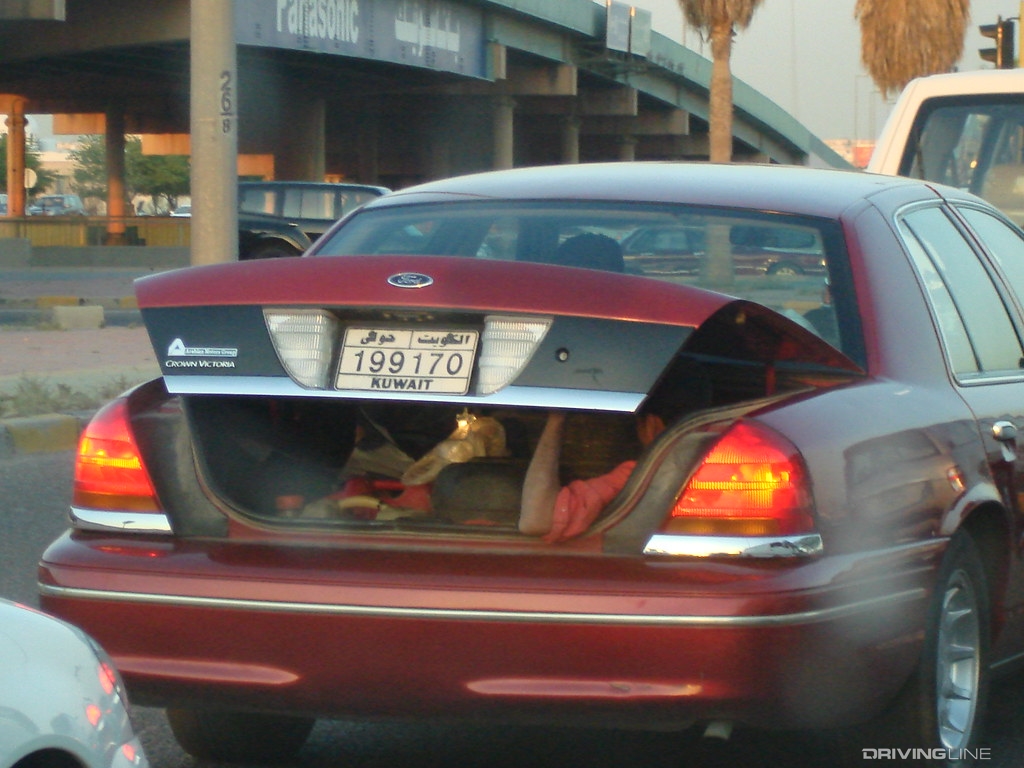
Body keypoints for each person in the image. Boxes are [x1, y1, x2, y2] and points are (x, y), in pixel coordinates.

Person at [518, 361, 711, 543]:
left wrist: (556, 419)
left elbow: (536, 520)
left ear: (652, 426)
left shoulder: (637, 478)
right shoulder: (731, 473)